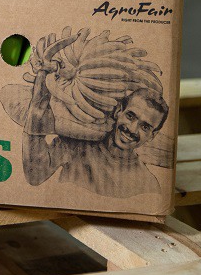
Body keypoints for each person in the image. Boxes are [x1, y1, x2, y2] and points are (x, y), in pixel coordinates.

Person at [22, 70, 169, 198]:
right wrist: (37, 109)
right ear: (119, 111)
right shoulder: (77, 145)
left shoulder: (148, 185)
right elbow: (35, 175)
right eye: (130, 116)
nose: (132, 129)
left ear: (152, 135)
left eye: (145, 127)